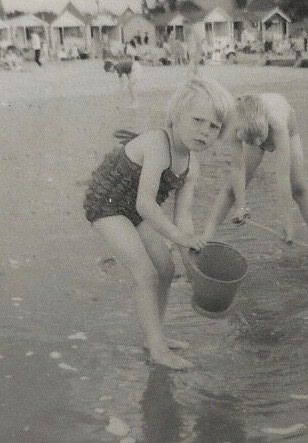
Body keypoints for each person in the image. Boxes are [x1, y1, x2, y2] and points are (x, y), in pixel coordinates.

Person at [83, 76, 234, 370]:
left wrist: (191, 262)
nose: (205, 131)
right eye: (198, 120)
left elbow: (183, 218)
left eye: (214, 126)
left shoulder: (192, 165)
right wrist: (179, 237)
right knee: (146, 273)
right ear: (176, 116)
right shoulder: (156, 143)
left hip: (136, 210)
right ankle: (157, 350)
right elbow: (145, 203)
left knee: (167, 269)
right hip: (108, 203)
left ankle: (155, 336)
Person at [203, 93, 308, 245]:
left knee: (298, 187)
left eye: (260, 137)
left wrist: (287, 223)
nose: (260, 142)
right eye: (251, 140)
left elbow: (282, 177)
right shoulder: (236, 127)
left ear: (266, 120)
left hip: (286, 130)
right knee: (232, 187)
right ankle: (206, 237)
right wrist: (241, 206)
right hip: (253, 129)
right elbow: (238, 167)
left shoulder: (276, 123)